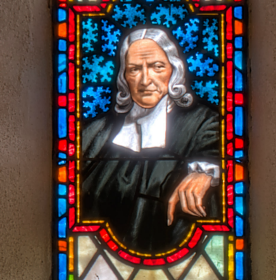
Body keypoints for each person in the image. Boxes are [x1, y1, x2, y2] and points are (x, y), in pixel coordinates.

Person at [81, 26, 221, 255]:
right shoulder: (96, 132)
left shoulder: (202, 123)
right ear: (124, 77)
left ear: (174, 71)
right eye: (134, 69)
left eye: (157, 67)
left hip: (179, 265)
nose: (145, 80)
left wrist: (205, 172)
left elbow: (220, 152)